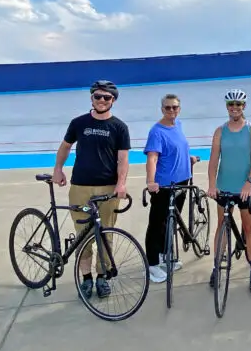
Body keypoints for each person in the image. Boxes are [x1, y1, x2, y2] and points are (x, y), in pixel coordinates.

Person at [52, 80, 131, 300]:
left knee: (105, 234)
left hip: (107, 189)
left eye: (106, 97)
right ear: (91, 98)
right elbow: (66, 146)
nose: (102, 100)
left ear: (113, 100)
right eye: (98, 96)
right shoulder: (78, 123)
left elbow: (123, 158)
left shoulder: (119, 127)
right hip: (80, 188)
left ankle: (102, 277)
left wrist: (121, 183)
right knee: (82, 235)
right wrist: (58, 169)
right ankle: (86, 278)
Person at [207, 89, 251, 293]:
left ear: (244, 107)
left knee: (249, 229)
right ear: (227, 107)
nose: (235, 108)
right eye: (231, 105)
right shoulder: (220, 131)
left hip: (246, 190)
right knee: (221, 225)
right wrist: (212, 185)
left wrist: (249, 182)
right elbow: (213, 161)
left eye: (238, 105)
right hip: (224, 188)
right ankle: (216, 267)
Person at [143, 93, 195, 284]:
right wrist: (151, 181)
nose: (171, 110)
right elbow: (152, 158)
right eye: (167, 108)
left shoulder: (178, 125)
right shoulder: (156, 131)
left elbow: (178, 148)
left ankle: (166, 255)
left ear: (179, 109)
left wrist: (189, 159)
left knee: (171, 222)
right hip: (164, 186)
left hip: (183, 182)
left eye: (175, 107)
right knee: (157, 223)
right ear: (162, 109)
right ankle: (152, 264)